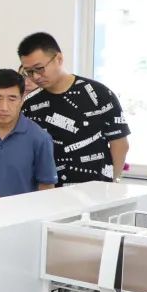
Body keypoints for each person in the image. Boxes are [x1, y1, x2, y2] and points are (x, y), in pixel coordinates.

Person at [18, 32, 131, 185]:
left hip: (96, 191)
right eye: (29, 72)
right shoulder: (30, 104)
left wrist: (113, 182)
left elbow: (120, 144)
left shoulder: (99, 94)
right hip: (48, 193)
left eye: (39, 68)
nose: (35, 77)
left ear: (59, 59)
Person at [0, 69, 58, 201]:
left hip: (23, 212)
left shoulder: (40, 138)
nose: (4, 107)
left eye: (12, 99)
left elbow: (46, 187)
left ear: (22, 99)